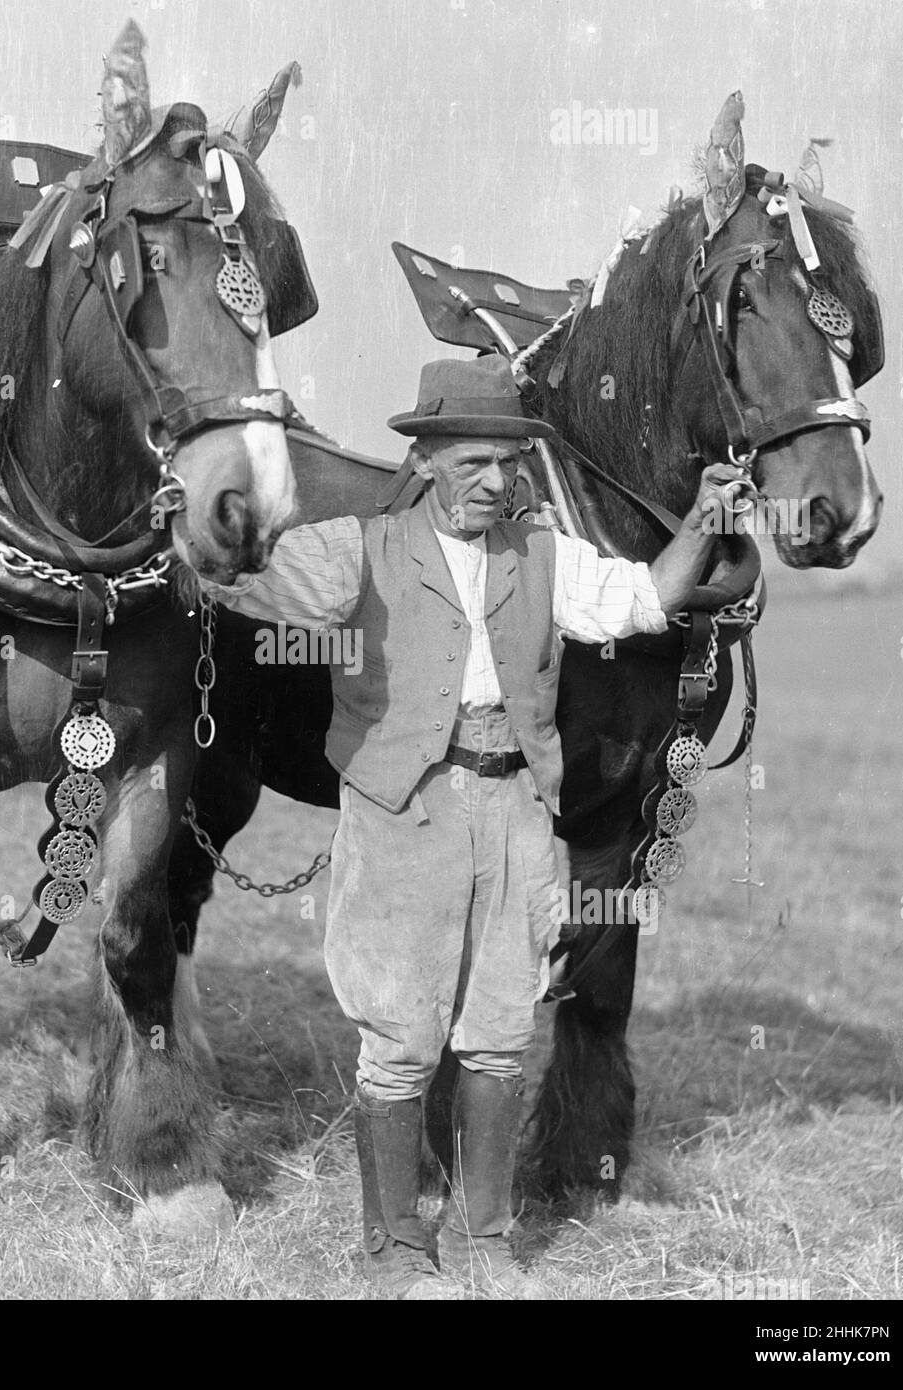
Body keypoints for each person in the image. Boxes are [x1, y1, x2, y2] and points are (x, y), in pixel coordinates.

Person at [201, 354, 744, 1298]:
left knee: (499, 1032)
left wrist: (703, 522)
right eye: (474, 465)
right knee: (400, 1037)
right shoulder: (357, 549)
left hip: (517, 809)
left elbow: (645, 598)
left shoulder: (543, 555)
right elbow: (249, 583)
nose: (495, 484)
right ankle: (397, 1251)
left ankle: (488, 1247)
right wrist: (206, 514)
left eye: (507, 464)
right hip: (399, 811)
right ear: (427, 458)